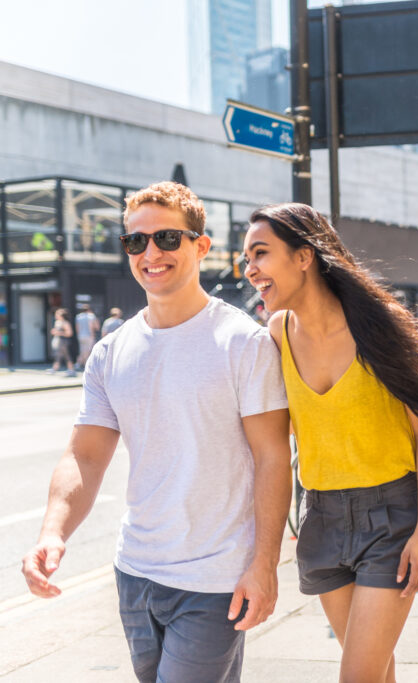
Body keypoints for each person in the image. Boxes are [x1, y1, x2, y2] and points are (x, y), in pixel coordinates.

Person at [22, 182, 292, 683]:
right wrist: (52, 533)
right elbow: (85, 455)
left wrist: (266, 564)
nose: (151, 253)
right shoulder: (110, 350)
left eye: (168, 238)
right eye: (136, 242)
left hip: (216, 577)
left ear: (201, 246)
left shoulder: (243, 343)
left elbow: (273, 457)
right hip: (135, 573)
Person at [243, 203, 418, 683]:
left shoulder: (379, 321)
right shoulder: (278, 332)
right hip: (321, 518)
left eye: (261, 254)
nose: (250, 270)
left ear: (304, 256)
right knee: (374, 672)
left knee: (359, 676)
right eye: (247, 258)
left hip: (390, 518)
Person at [48, 308, 75, 376]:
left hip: (63, 341)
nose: (55, 315)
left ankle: (70, 369)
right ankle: (56, 368)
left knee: (65, 355)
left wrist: (59, 333)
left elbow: (69, 333)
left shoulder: (65, 323)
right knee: (58, 355)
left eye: (57, 314)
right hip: (58, 340)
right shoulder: (57, 322)